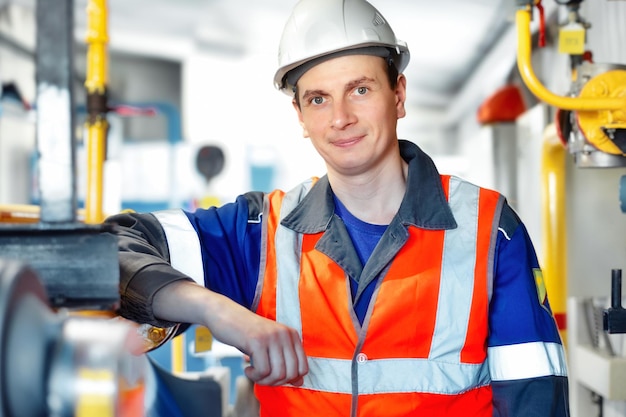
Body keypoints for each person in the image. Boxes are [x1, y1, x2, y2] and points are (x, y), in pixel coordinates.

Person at [106, 0, 570, 415]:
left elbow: (535, 398)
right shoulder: (260, 233)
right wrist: (220, 313)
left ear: (399, 94)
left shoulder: (489, 229)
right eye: (319, 99)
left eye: (360, 89)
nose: (340, 117)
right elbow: (112, 246)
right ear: (301, 118)